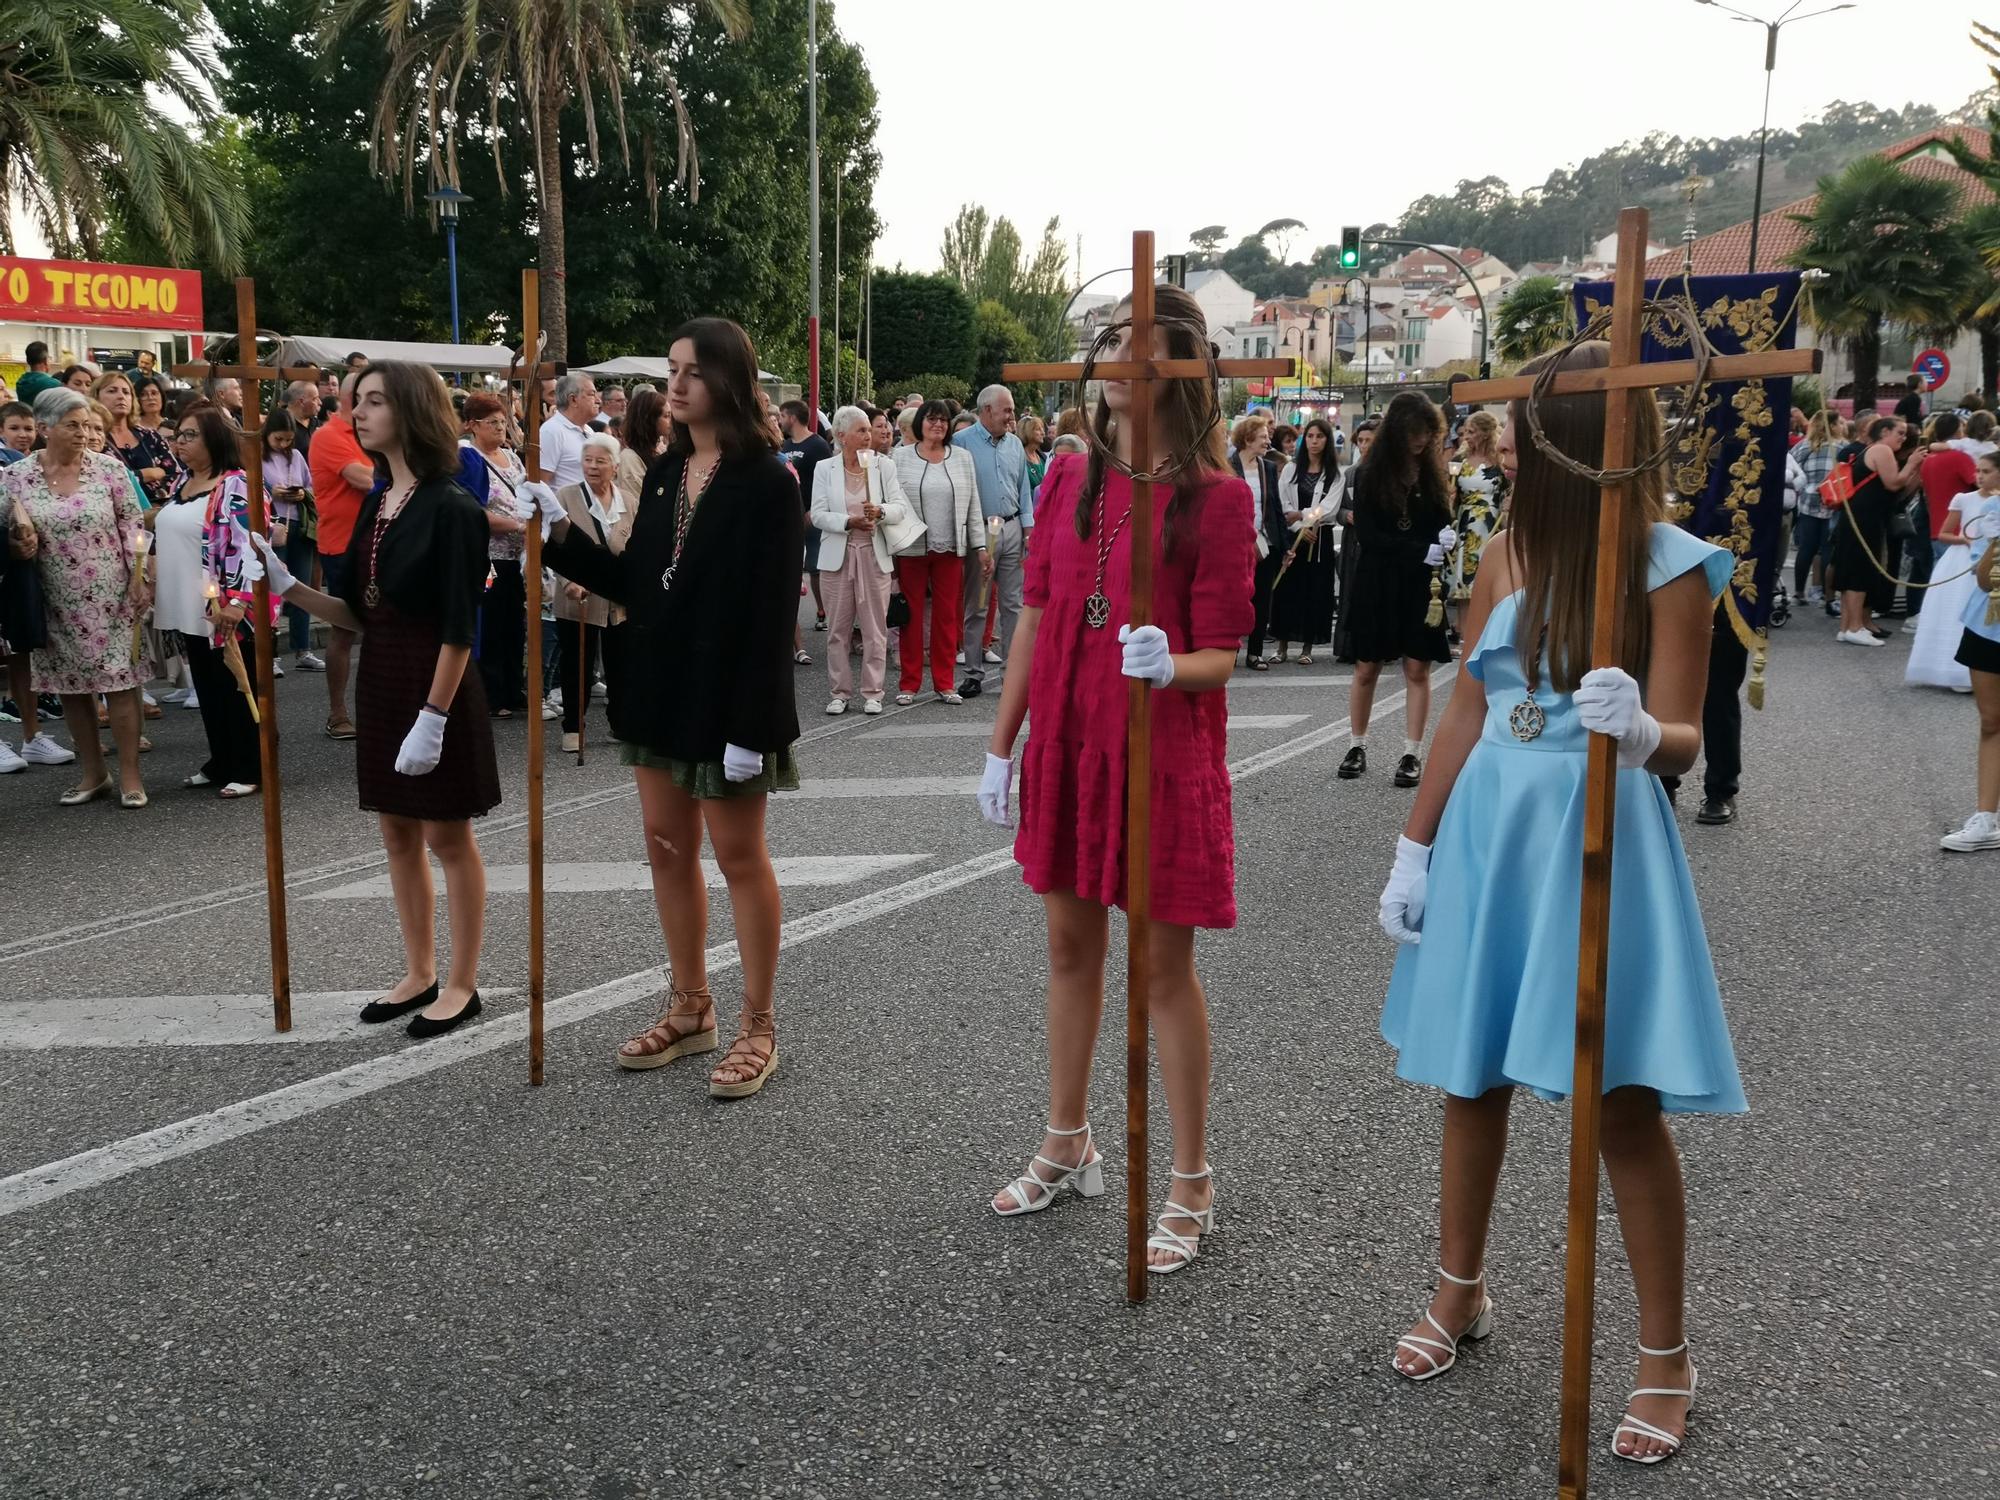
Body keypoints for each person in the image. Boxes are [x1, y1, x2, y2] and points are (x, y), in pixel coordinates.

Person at [1375, 341, 1745, 1467]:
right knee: (1467, 1072)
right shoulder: (1506, 548)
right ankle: (1458, 1290)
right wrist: (1412, 845)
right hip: (1494, 830)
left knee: (1617, 1103)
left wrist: (1639, 732)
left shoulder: (1674, 565)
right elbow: (1466, 709)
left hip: (1597, 829)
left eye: (1537, 433)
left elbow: (1680, 728)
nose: (1515, 449)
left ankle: (1663, 1355)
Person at [976, 283, 1254, 1273]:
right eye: (1104, 340)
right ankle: (1066, 1138)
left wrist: (1168, 663)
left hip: (1159, 751)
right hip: (1067, 741)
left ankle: (1189, 1180)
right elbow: (1036, 616)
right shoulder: (1063, 479)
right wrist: (1000, 744)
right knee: (1065, 950)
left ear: (1177, 361)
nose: (1111, 356)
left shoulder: (1218, 500)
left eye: (1132, 339)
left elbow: (1223, 647)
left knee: (1162, 972)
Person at [529, 317, 802, 1098]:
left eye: (693, 370)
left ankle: (758, 1024)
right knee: (667, 849)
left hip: (729, 703)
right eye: (671, 369)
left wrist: (752, 726)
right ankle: (691, 1006)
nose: (675, 384)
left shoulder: (767, 482)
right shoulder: (663, 471)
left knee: (739, 858)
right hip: (659, 691)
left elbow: (772, 616)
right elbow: (636, 582)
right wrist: (555, 532)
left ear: (731, 380)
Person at [252, 362, 500, 1038]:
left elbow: (457, 625)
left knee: (449, 837)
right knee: (396, 833)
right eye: (354, 401)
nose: (356, 413)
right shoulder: (378, 498)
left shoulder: (451, 506)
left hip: (435, 683)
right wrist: (286, 587)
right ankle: (419, 970)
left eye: (373, 402)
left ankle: (461, 981)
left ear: (412, 409)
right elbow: (363, 614)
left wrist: (434, 716)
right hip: (384, 677)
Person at [0, 388, 151, 806]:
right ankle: (93, 773)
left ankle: (130, 777)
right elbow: (4, 534)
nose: (84, 433)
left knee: (120, 684)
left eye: (86, 424)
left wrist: (140, 577)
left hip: (113, 594)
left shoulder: (109, 470)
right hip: (51, 599)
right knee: (71, 688)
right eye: (73, 425)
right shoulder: (15, 477)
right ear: (45, 428)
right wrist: (16, 547)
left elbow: (132, 525)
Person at [1338, 393, 1455, 786]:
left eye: (1427, 433)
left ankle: (1411, 752)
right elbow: (1368, 537)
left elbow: (1440, 519)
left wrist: (1446, 535)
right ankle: (1357, 744)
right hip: (1378, 577)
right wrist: (1422, 549)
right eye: (1415, 433)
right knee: (1366, 665)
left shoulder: (1431, 473)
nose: (1421, 441)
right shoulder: (1370, 474)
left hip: (1420, 583)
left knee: (1417, 667)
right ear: (1399, 432)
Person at [160, 405, 270, 797]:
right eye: (178, 435)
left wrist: (239, 602)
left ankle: (250, 765)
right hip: (191, 602)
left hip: (225, 602)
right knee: (208, 685)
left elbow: (248, 545)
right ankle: (221, 759)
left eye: (190, 435)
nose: (180, 443)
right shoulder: (184, 481)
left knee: (235, 684)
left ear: (215, 439)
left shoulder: (236, 484)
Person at [812, 406, 910, 716]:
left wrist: (879, 512)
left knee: (874, 627)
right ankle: (839, 692)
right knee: (838, 629)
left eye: (869, 429)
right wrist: (848, 520)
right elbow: (817, 514)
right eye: (861, 430)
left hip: (873, 552)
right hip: (838, 555)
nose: (868, 435)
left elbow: (899, 508)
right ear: (841, 436)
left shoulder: (884, 466)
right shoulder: (823, 468)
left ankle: (873, 692)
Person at [890, 399, 989, 705]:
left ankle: (945, 683)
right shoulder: (900, 456)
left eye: (943, 420)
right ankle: (909, 683)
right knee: (912, 617)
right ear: (919, 423)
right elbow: (892, 500)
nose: (938, 425)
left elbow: (974, 506)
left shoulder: (961, 457)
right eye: (932, 419)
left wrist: (981, 546)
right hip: (911, 547)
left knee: (947, 618)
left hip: (951, 548)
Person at [552, 432, 632, 751]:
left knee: (620, 663)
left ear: (614, 466)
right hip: (577, 594)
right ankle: (573, 726)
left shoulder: (630, 501)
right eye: (588, 460)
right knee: (577, 664)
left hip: (618, 597)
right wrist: (567, 581)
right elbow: (552, 546)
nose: (593, 467)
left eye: (601, 461)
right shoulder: (566, 496)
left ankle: (621, 723)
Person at [308, 370, 377, 738]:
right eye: (369, 396)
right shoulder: (328, 435)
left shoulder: (373, 432)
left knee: (385, 627)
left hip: (380, 541)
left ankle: (382, 707)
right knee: (345, 628)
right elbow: (366, 480)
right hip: (344, 546)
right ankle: (338, 712)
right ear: (352, 398)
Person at [953, 385, 1034, 697]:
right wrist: (974, 538)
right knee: (978, 603)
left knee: (1014, 605)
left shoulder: (1014, 443)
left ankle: (1011, 673)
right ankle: (973, 673)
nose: (1011, 415)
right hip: (982, 530)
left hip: (1012, 526)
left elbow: (1023, 489)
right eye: (1006, 410)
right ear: (986, 410)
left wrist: (1028, 528)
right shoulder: (962, 443)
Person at [456, 394, 529, 717]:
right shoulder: (466, 457)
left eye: (503, 422)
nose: (501, 429)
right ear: (472, 425)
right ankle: (492, 692)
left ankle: (515, 688)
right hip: (488, 554)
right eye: (493, 423)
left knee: (515, 623)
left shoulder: (512, 458)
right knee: (492, 624)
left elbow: (525, 492)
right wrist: (515, 524)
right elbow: (470, 510)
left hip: (518, 554)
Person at [1909, 451, 2000, 694]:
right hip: (1963, 560)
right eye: (1978, 471)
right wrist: (1968, 540)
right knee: (1957, 612)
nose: (1979, 476)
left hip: (1988, 563)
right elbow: (1943, 533)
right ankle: (1955, 670)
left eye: (1986, 471)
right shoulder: (1965, 498)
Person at [1832, 414, 1925, 646]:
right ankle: (1854, 626)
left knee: (1852, 569)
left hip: (1857, 516)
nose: (1903, 439)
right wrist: (1913, 464)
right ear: (1884, 432)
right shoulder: (1882, 450)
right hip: (1865, 518)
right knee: (1860, 571)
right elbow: (1893, 482)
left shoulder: (1871, 450)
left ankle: (1847, 627)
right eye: (1899, 433)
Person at [1941, 488, 2000, 850]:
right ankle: (1985, 817)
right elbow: (1983, 579)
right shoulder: (1993, 506)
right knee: (1992, 721)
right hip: (1990, 625)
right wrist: (1996, 541)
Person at [1268, 415, 1344, 663]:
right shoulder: (1291, 468)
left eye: (1319, 436)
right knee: (1287, 590)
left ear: (1327, 440)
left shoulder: (1335, 473)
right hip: (1294, 536)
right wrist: (1300, 525)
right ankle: (1281, 646)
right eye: (1310, 436)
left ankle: (1307, 648)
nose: (1314, 441)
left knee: (1315, 591)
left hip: (1318, 537)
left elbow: (1329, 507)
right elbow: (1283, 502)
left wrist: (1303, 515)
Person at [260, 411, 323, 675]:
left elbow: (311, 486)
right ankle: (270, 653)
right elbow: (246, 483)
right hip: (273, 524)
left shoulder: (296, 456)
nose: (284, 445)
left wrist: (301, 493)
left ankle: (303, 649)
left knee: (301, 588)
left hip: (299, 523)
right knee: (273, 590)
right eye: (278, 439)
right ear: (267, 435)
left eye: (288, 440)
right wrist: (268, 490)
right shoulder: (256, 456)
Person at [1230, 414, 1286, 668]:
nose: (1267, 440)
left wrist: (1284, 546)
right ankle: (1228, 652)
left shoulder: (1269, 468)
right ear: (1248, 437)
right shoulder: (1227, 465)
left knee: (1262, 599)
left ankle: (1255, 652)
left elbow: (1275, 507)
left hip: (1265, 542)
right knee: (1234, 597)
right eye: (1263, 436)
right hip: (1235, 544)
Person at [777, 399, 834, 633]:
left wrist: (815, 508)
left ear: (792, 417)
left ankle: (824, 610)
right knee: (793, 566)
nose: (779, 421)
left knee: (816, 565)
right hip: (791, 515)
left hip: (812, 514)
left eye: (782, 416)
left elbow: (827, 479)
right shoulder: (785, 445)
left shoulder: (818, 445)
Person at [1447, 410, 1508, 614]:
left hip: (1490, 524)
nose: (1466, 437)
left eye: (1471, 432)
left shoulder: (1499, 461)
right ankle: (1464, 636)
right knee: (1464, 583)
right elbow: (1450, 492)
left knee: (1486, 579)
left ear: (1484, 433)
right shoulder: (1459, 459)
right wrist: (1450, 496)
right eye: (1465, 432)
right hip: (1465, 523)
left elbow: (1509, 490)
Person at [1792, 411, 1841, 605]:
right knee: (1828, 549)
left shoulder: (1803, 446)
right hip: (1832, 501)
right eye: (1839, 423)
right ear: (1832, 426)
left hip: (1807, 501)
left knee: (1806, 549)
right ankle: (1827, 596)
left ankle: (1798, 593)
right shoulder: (1841, 447)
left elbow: (1791, 467)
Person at [539, 373, 600, 489]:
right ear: (573, 400)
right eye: (591, 394)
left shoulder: (588, 430)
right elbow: (541, 483)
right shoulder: (551, 431)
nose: (598, 400)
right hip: (564, 506)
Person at [616, 387, 667, 507]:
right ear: (650, 419)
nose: (671, 421)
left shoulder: (661, 449)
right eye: (666, 416)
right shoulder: (629, 458)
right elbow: (637, 501)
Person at [284, 380, 324, 457]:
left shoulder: (318, 424)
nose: (320, 402)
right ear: (302, 401)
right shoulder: (281, 425)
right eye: (315, 399)